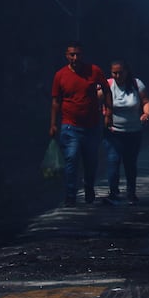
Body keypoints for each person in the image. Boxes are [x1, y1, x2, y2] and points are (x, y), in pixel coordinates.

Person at [50, 42, 111, 207]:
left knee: (91, 160)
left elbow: (107, 90)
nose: (75, 57)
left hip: (91, 125)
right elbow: (56, 101)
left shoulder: (94, 71)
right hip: (70, 125)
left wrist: (108, 113)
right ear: (66, 55)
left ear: (82, 55)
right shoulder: (60, 75)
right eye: (72, 54)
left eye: (78, 54)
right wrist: (53, 124)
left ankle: (89, 188)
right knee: (72, 158)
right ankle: (70, 195)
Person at [104, 60, 149, 205]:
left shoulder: (136, 84)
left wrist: (146, 114)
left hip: (133, 132)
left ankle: (131, 193)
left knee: (130, 163)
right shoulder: (108, 85)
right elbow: (95, 99)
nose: (117, 75)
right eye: (114, 72)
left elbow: (146, 101)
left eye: (120, 72)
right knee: (113, 161)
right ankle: (113, 192)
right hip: (113, 132)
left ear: (126, 72)